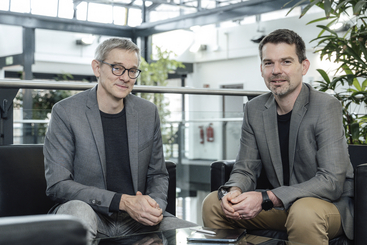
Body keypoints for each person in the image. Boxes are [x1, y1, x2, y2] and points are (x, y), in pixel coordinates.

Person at [202, 29, 354, 245]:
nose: (276, 71)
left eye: (286, 62)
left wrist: (267, 197)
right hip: (282, 207)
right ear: (261, 69)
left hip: (328, 206)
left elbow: (331, 182)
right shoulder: (254, 109)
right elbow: (245, 168)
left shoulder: (325, 106)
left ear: (304, 66)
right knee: (213, 204)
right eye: (268, 63)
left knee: (303, 212)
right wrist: (233, 191)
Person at [44, 37, 196, 243]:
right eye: (117, 68)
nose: (125, 77)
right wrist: (122, 202)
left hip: (135, 219)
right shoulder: (66, 112)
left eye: (132, 70)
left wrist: (154, 207)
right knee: (79, 212)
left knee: (193, 233)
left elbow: (158, 174)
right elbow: (58, 185)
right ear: (97, 68)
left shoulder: (147, 112)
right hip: (91, 213)